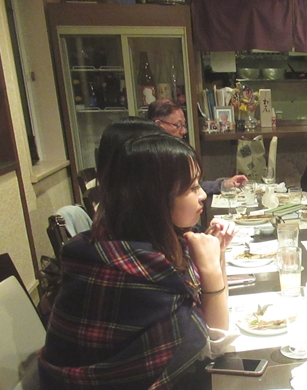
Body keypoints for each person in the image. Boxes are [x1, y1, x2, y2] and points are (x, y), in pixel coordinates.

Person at [39, 133, 238, 389]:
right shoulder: (142, 270)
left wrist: (217, 252)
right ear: (155, 198)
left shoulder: (116, 238)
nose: (202, 195)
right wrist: (210, 269)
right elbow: (214, 343)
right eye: (192, 187)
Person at [148, 98, 247, 193]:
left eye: (184, 125)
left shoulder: (173, 153)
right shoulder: (149, 159)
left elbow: (192, 187)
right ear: (158, 125)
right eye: (178, 125)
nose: (183, 131)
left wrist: (224, 184)